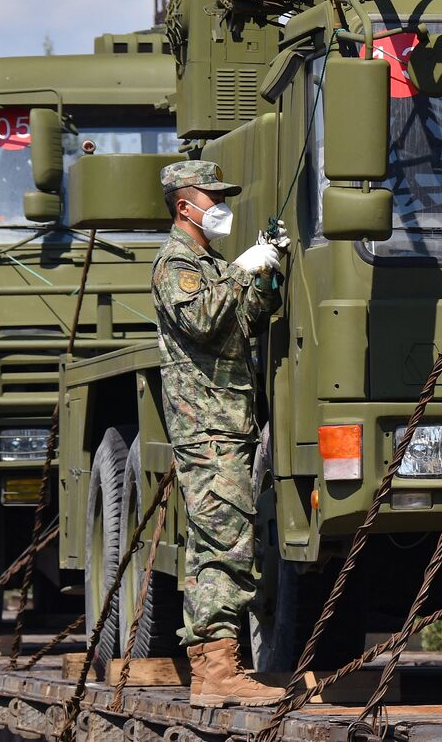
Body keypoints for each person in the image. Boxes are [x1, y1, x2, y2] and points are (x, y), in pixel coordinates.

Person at [152, 160, 288, 706]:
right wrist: (241, 267)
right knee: (224, 545)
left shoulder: (208, 265)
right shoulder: (175, 265)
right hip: (207, 428)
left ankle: (213, 670)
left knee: (222, 542)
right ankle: (218, 672)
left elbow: (248, 318)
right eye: (212, 198)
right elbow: (204, 320)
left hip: (227, 425)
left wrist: (267, 269)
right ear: (186, 207)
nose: (220, 207)